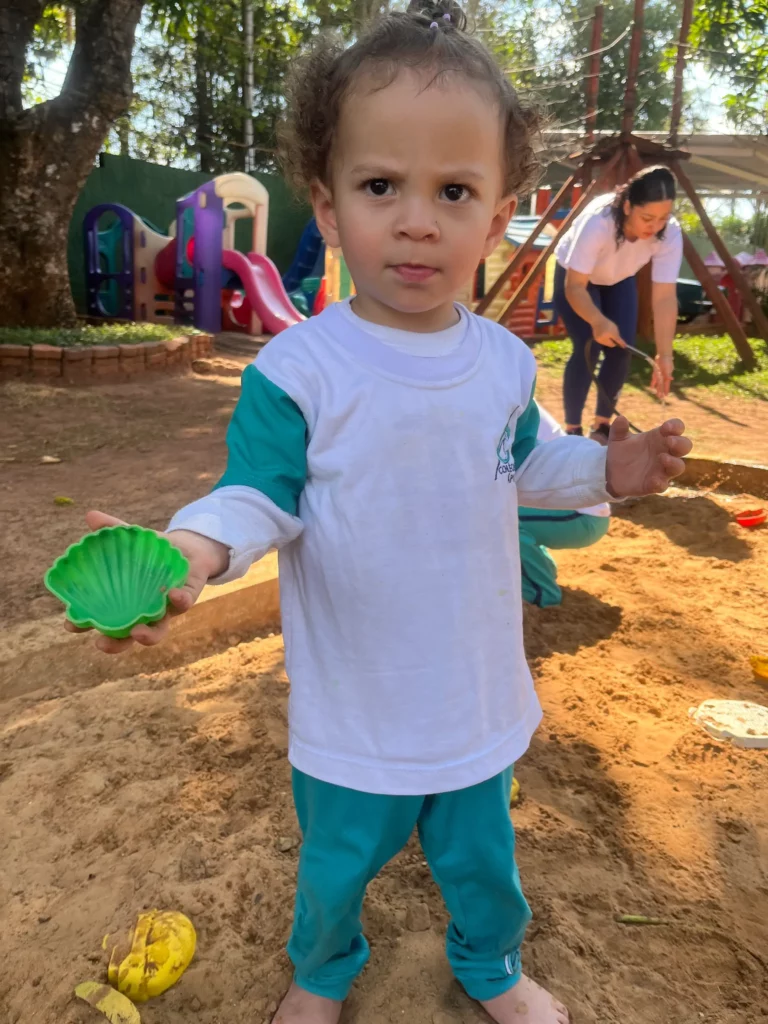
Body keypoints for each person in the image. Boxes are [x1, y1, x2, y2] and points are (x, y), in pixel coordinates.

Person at [65, 7, 692, 1023]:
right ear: (326, 204)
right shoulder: (301, 370)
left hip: (474, 692)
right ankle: (322, 971)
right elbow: (257, 493)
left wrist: (609, 468)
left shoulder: (501, 361)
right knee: (336, 863)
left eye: (454, 191)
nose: (417, 221)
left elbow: (528, 463)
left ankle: (490, 963)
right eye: (380, 185)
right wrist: (190, 549)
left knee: (484, 859)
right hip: (355, 703)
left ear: (498, 216)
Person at [553, 165, 683, 444]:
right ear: (627, 207)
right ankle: (572, 430)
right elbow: (575, 287)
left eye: (663, 218)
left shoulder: (670, 233)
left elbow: (664, 297)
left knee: (621, 347)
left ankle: (601, 427)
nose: (655, 227)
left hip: (619, 278)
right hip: (577, 279)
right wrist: (598, 320)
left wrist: (665, 355)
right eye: (647, 218)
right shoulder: (598, 222)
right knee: (589, 344)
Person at [519, 403, 610, 607]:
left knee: (499, 520)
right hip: (574, 507)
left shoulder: (505, 401)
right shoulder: (508, 395)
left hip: (582, 515)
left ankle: (542, 594)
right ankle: (542, 568)